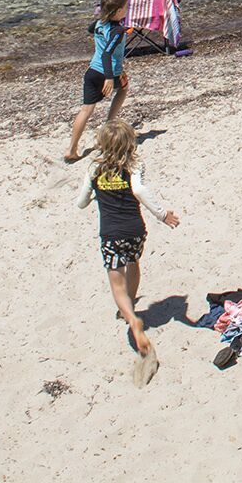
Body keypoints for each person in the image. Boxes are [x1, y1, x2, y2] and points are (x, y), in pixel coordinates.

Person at [74, 120, 180, 381]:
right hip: (135, 230)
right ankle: (129, 305)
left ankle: (131, 318)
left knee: (116, 280)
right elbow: (139, 189)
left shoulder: (94, 168)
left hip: (111, 234)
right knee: (133, 264)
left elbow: (81, 202)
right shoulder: (134, 165)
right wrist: (162, 215)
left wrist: (94, 195)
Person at [66, 0, 133, 163]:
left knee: (86, 110)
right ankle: (108, 125)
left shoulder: (98, 23)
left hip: (91, 73)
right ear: (118, 11)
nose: (127, 10)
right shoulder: (117, 31)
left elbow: (91, 29)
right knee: (123, 88)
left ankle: (71, 149)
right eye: (126, 8)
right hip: (107, 73)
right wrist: (109, 77)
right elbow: (106, 54)